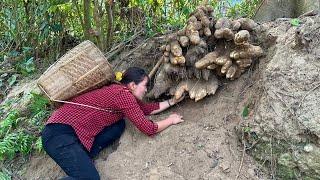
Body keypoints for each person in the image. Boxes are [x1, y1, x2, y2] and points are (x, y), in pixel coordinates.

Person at [41, 67, 184, 180]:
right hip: (59, 133)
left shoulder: (119, 91)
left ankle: (83, 157)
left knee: (119, 125)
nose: (146, 90)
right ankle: (83, 164)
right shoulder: (122, 94)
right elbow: (148, 128)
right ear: (133, 85)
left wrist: (172, 101)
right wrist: (171, 120)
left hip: (73, 135)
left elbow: (146, 109)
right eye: (145, 85)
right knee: (89, 178)